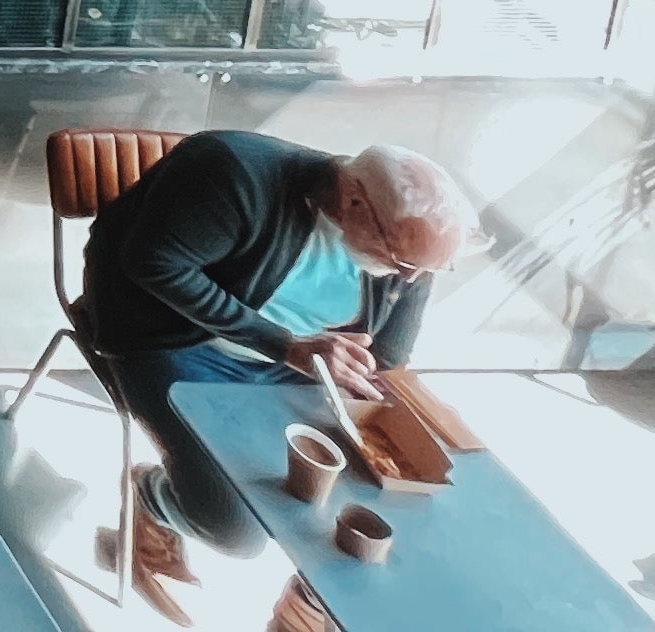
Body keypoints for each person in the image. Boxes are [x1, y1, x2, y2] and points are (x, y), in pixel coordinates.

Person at [79, 133, 476, 621]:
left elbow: (390, 354)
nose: (408, 278)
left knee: (391, 489)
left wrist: (376, 400)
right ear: (353, 199)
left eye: (425, 270)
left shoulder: (406, 242)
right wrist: (285, 346)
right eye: (402, 262)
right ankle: (152, 498)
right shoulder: (232, 174)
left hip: (301, 361)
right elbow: (153, 264)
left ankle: (310, 603)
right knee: (237, 532)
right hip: (175, 337)